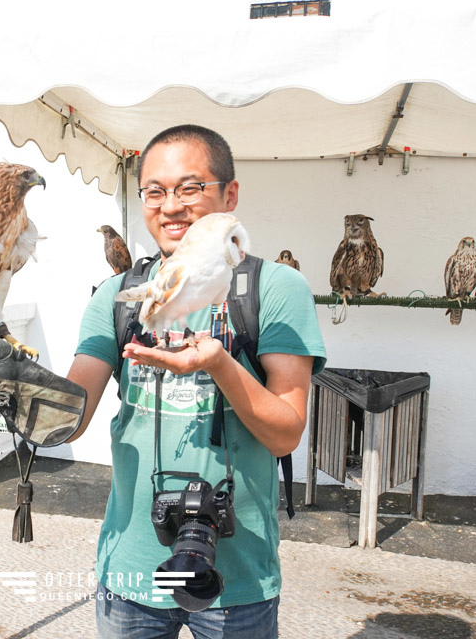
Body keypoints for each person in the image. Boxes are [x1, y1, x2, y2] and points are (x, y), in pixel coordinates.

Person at [66, 124, 326, 639]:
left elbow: (285, 433)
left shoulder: (275, 288)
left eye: (190, 188)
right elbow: (68, 417)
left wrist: (218, 364)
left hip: (238, 576)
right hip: (131, 568)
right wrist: (2, 382)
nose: (171, 206)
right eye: (156, 192)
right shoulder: (119, 295)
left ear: (229, 195)